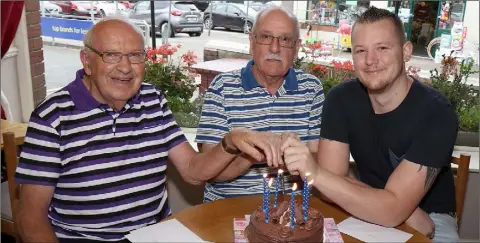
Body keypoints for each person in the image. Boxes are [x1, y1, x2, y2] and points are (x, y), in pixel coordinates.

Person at [14, 17, 286, 243]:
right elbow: (30, 217)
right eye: (111, 55)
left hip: (154, 235)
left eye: (135, 56)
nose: (125, 67)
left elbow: (192, 171)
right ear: (87, 61)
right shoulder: (53, 116)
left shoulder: (152, 100)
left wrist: (230, 142)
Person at [282, 7, 459, 242]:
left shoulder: (437, 113)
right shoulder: (340, 99)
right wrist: (401, 210)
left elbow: (329, 180)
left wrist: (315, 173)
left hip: (432, 219)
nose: (370, 60)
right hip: (368, 208)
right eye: (360, 50)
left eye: (382, 48)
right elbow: (330, 185)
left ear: (406, 52)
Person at [195, 7, 324, 202]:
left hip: (291, 212)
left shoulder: (312, 89)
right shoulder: (222, 88)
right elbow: (209, 172)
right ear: (252, 42)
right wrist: (255, 153)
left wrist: (294, 153)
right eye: (266, 37)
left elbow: (320, 165)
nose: (275, 48)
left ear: (297, 48)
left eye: (285, 40)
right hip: (227, 208)